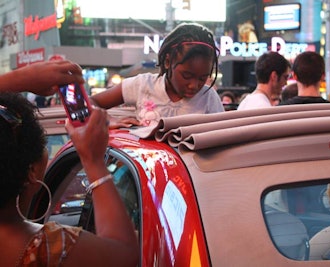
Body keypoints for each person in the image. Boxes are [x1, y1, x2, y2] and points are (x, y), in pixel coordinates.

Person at [0, 63, 139, 266]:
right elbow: (124, 252)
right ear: (32, 172)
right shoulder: (46, 248)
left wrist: (16, 79)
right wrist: (93, 161)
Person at [90, 22, 224, 127]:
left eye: (202, 78)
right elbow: (90, 102)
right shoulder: (142, 85)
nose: (194, 85)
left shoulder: (209, 98)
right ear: (167, 62)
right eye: (187, 76)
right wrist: (107, 120)